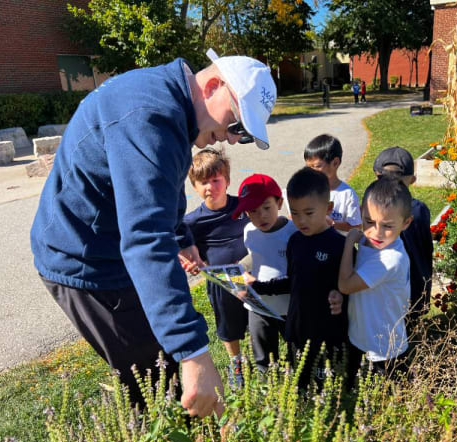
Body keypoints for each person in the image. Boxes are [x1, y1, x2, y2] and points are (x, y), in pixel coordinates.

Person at [30, 49, 277, 416]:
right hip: (86, 262)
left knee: (166, 371)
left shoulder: (170, 104)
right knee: (157, 385)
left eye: (241, 134)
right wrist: (194, 353)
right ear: (212, 85)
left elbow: (158, 188)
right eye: (237, 124)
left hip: (110, 246)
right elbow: (145, 238)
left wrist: (181, 236)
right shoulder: (150, 115)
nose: (228, 138)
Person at [248, 168, 347, 388]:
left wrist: (341, 295)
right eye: (295, 213)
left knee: (326, 388)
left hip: (326, 332)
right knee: (300, 385)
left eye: (309, 213)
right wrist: (259, 287)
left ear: (328, 208)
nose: (301, 220)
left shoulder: (339, 245)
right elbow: (293, 281)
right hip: (298, 329)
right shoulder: (295, 241)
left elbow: (350, 286)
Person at [182, 149, 249, 389]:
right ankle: (236, 362)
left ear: (228, 180)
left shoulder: (245, 207)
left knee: (260, 319)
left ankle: (264, 358)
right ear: (195, 187)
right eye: (203, 182)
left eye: (216, 179)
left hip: (251, 276)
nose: (210, 186)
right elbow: (188, 254)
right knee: (229, 325)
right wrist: (191, 262)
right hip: (222, 283)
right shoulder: (191, 223)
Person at [338, 177, 413, 383]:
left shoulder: (389, 259)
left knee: (384, 407)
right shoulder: (371, 242)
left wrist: (348, 243)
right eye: (369, 221)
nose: (376, 232)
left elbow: (345, 285)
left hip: (384, 351)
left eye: (387, 226)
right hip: (361, 339)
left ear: (406, 223)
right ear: (362, 211)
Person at [231, 173, 297, 373]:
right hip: (258, 307)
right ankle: (267, 393)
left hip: (289, 308)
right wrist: (238, 271)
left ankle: (300, 393)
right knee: (263, 361)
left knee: (298, 356)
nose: (261, 216)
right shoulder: (249, 231)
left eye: (267, 208)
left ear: (279, 202)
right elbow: (256, 255)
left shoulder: (293, 232)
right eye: (253, 211)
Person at [373, 147, 433, 339]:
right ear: (412, 180)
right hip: (417, 286)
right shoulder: (420, 209)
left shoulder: (375, 212)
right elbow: (426, 247)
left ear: (376, 177)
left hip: (388, 289)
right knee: (409, 335)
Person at [304, 134, 362, 235]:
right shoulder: (306, 191)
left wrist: (332, 223)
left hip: (338, 248)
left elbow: (356, 226)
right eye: (309, 167)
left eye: (317, 166)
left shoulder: (347, 194)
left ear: (335, 163)